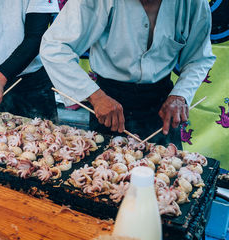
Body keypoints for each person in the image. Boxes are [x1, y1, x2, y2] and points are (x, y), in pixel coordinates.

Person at [40, 0, 216, 147]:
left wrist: (180, 95)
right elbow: (55, 47)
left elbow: (198, 58)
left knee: (168, 179)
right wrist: (96, 97)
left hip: (161, 105)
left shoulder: (192, 3)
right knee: (106, 178)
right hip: (108, 103)